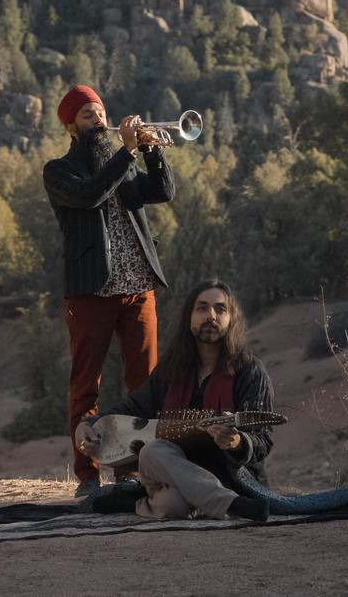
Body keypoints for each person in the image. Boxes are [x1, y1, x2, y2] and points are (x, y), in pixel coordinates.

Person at [43, 85, 176, 498]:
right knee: (86, 385)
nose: (98, 119)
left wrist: (152, 151)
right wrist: (128, 152)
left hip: (139, 288)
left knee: (145, 384)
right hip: (91, 294)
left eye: (100, 112)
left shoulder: (123, 165)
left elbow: (162, 192)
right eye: (87, 115)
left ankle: (135, 471)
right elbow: (91, 194)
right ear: (70, 127)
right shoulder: (60, 171)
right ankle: (87, 476)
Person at [74, 279, 274, 521]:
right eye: (201, 308)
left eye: (220, 309)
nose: (210, 315)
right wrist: (89, 423)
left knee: (171, 506)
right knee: (152, 451)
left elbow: (263, 440)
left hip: (230, 477)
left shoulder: (250, 371)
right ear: (189, 317)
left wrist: (236, 442)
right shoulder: (171, 370)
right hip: (174, 470)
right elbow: (133, 407)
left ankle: (139, 503)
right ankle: (233, 505)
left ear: (231, 319)